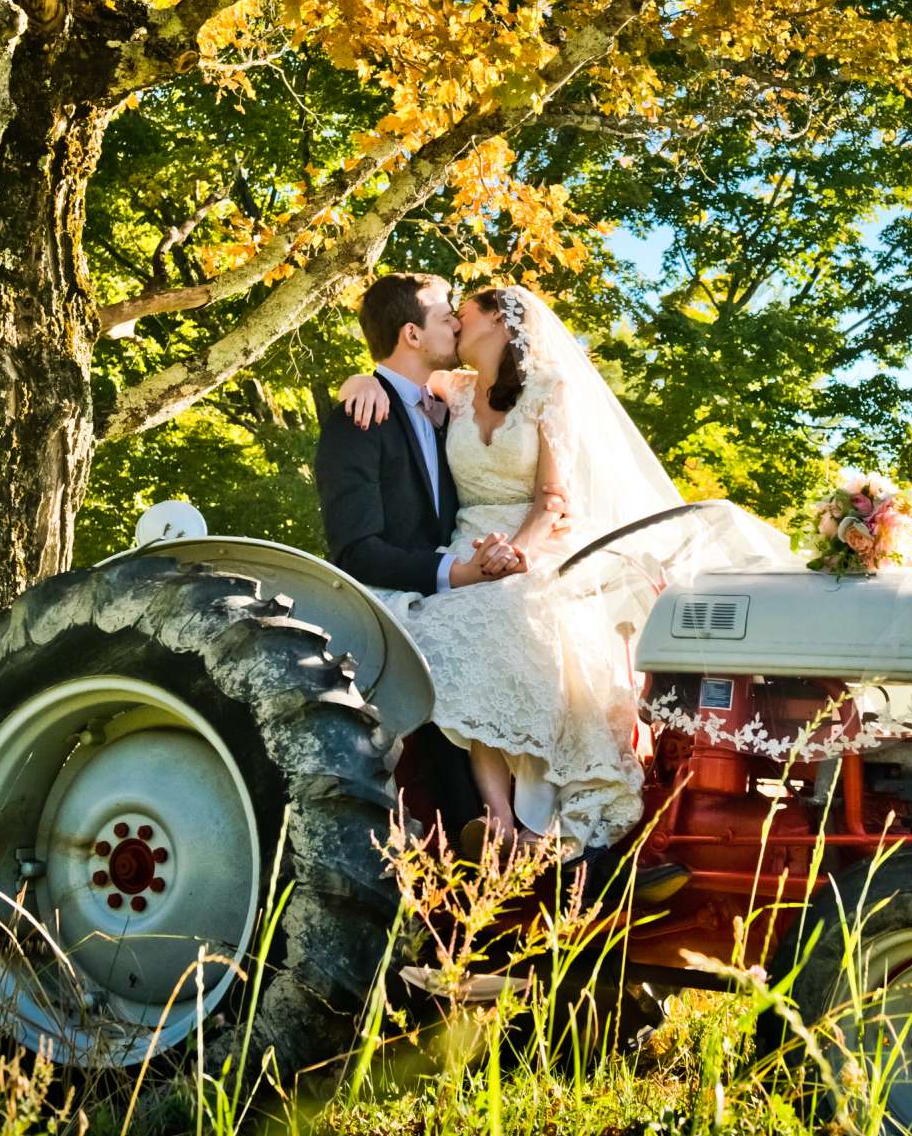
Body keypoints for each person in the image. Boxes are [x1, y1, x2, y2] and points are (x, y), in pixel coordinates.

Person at [334, 281, 797, 859]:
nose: (453, 323)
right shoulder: (452, 392)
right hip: (467, 552)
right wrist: (357, 383)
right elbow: (393, 379)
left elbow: (554, 496)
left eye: (463, 314)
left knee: (508, 616)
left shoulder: (550, 391)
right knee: (453, 629)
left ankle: (548, 818)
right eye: (446, 316)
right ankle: (496, 821)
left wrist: (517, 554)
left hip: (537, 543)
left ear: (500, 323)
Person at [315, 272, 517, 844]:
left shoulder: (451, 400)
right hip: (399, 599)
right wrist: (456, 574)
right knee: (454, 652)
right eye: (445, 314)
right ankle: (476, 834)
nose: (456, 321)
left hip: (473, 579)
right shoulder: (358, 421)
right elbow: (357, 552)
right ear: (411, 333)